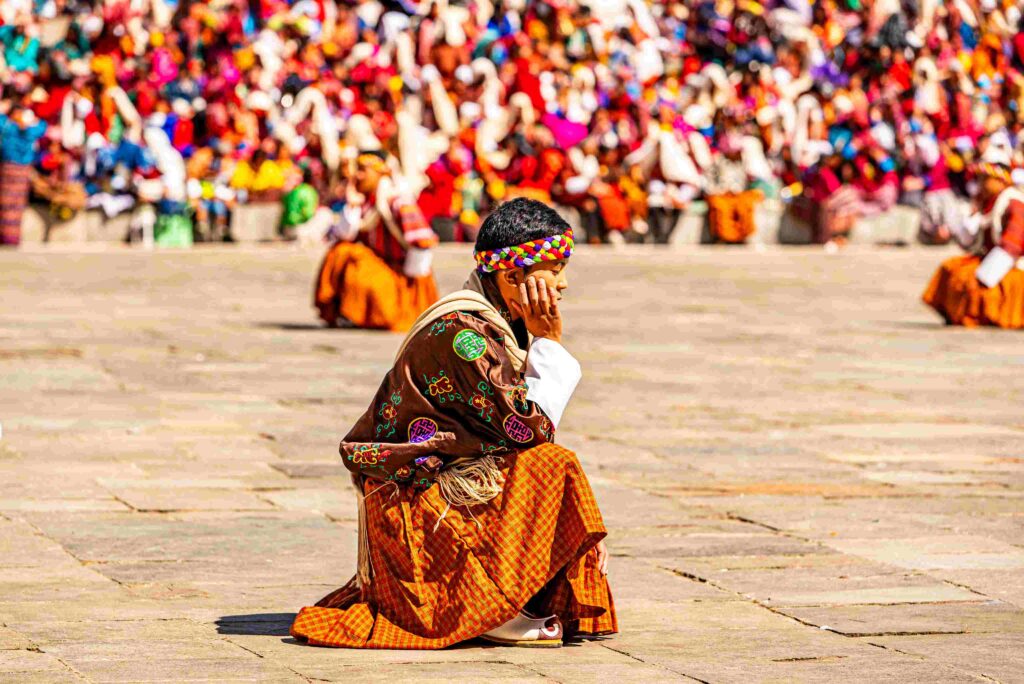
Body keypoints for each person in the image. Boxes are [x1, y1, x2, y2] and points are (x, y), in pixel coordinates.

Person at [291, 198, 616, 648]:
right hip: (416, 508)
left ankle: (502, 598)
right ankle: (486, 607)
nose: (563, 284)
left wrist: (579, 519)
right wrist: (550, 344)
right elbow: (530, 429)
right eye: (554, 268)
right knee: (553, 465)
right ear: (512, 276)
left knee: (553, 469)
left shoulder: (498, 323)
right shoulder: (463, 335)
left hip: (446, 487)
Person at [313, 151, 439, 331]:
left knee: (358, 263)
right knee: (342, 252)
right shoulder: (366, 202)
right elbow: (345, 235)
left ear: (381, 171)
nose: (358, 175)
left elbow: (423, 246)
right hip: (383, 268)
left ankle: (388, 311)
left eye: (363, 169)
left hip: (404, 277)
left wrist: (411, 296)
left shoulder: (397, 201)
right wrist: (352, 203)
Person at [922, 143, 1024, 329]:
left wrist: (986, 273)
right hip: (987, 257)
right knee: (951, 268)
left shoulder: (1014, 203)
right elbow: (968, 241)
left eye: (986, 179)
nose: (982, 183)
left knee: (974, 284)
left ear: (999, 180)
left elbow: (1012, 245)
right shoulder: (986, 202)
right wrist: (971, 216)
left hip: (1012, 265)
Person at [0, 106, 47, 246]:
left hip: (8, 169)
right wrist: (32, 121)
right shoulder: (30, 130)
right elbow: (42, 126)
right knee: (16, 204)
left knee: (6, 203)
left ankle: (5, 237)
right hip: (21, 171)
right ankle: (12, 237)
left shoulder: (9, 128)